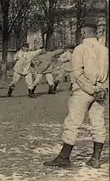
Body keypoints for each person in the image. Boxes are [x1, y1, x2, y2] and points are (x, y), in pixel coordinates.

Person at [44, 21, 108, 168]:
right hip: (100, 91)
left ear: (84, 32)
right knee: (98, 123)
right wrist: (102, 89)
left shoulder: (80, 49)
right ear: (96, 33)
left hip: (83, 91)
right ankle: (95, 158)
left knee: (73, 122)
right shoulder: (104, 50)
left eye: (82, 32)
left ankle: (64, 157)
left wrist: (91, 89)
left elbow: (78, 73)